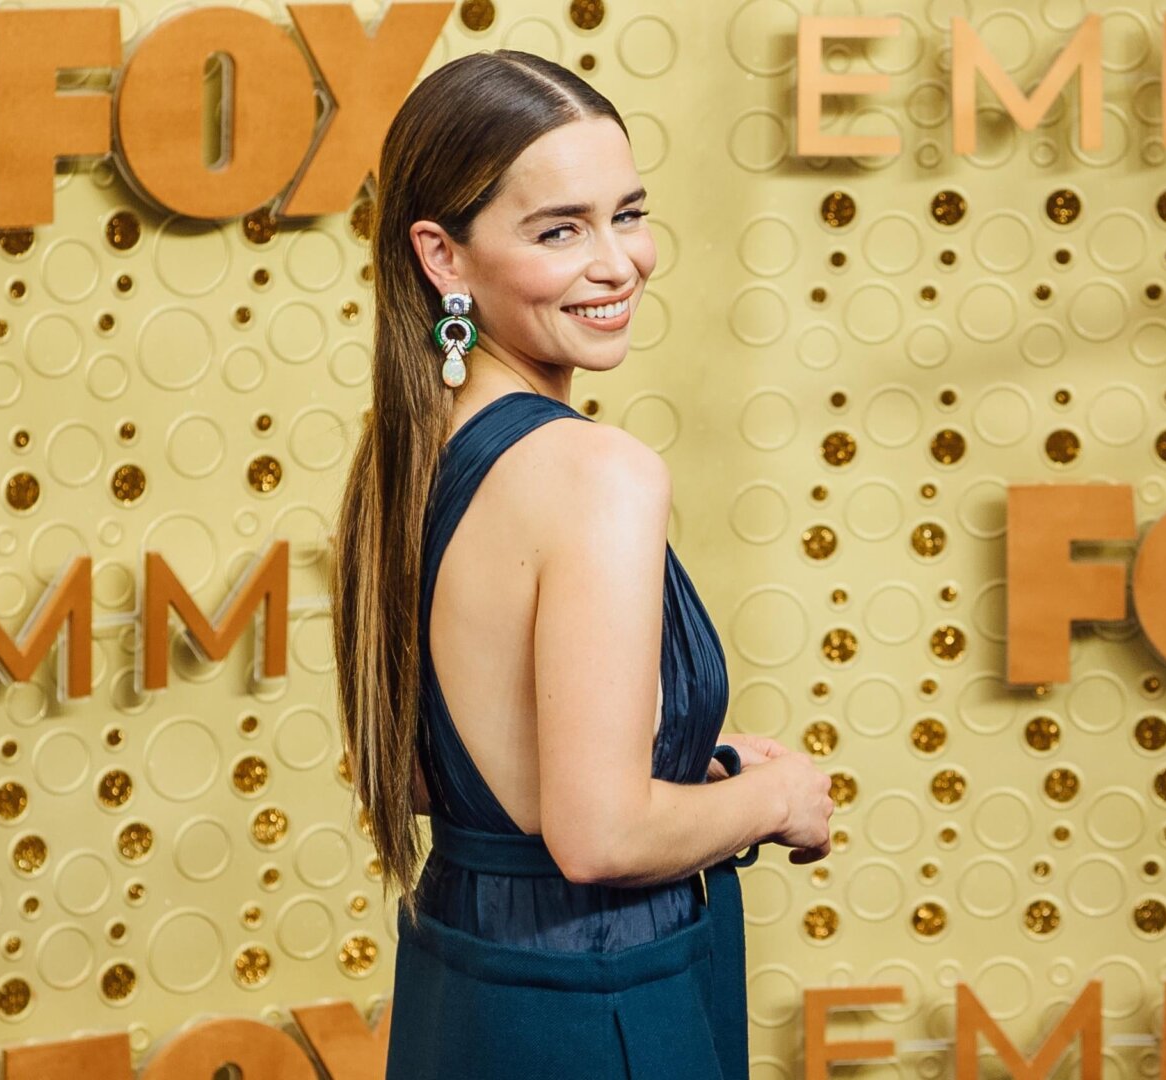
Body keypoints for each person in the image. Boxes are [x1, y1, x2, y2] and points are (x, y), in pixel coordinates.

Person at [328, 50, 836, 1079]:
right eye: (560, 230)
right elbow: (596, 836)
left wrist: (695, 760)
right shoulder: (599, 471)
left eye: (630, 213)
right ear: (446, 257)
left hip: (457, 989)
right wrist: (776, 800)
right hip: (596, 1005)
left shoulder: (402, 450)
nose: (619, 262)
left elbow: (440, 776)